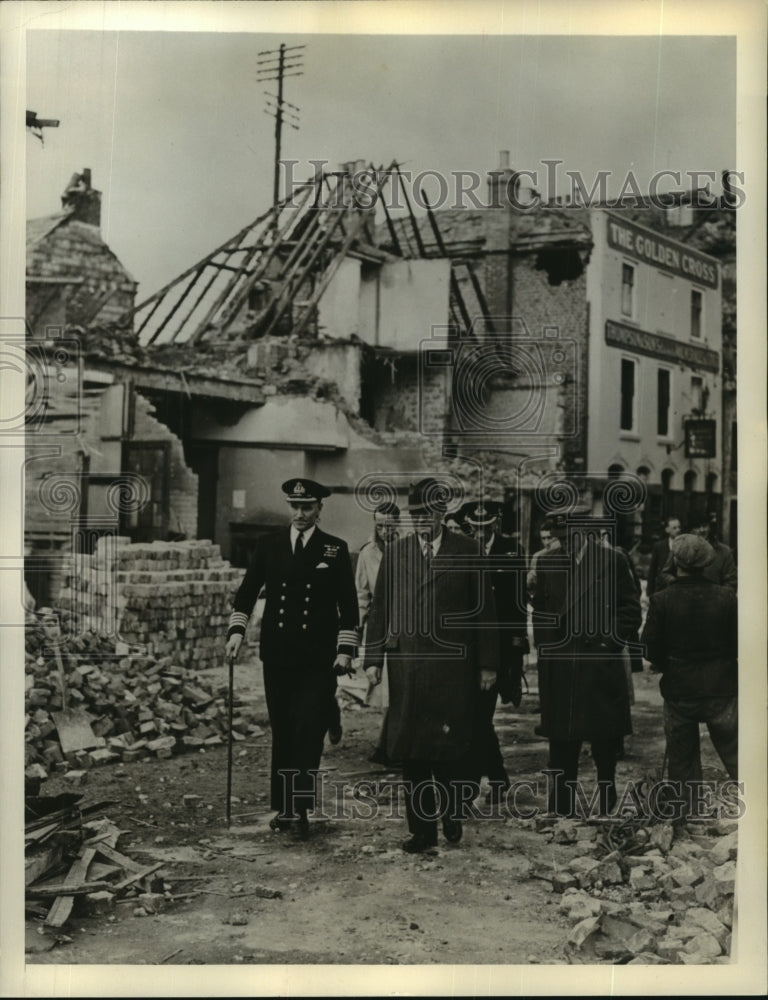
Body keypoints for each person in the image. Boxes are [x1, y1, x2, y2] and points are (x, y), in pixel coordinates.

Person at [364, 478, 500, 853]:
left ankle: (452, 810)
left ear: (442, 513)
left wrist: (488, 664)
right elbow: (380, 610)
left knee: (450, 747)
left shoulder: (468, 551)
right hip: (408, 668)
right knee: (413, 752)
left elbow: (486, 613)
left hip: (453, 670)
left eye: (428, 513)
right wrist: (373, 659)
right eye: (415, 514)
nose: (421, 520)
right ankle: (422, 831)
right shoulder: (397, 553)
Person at [225, 478, 359, 839]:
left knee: (307, 731)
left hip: (318, 659)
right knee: (283, 731)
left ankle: (299, 809)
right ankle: (285, 806)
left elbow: (348, 605)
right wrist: (236, 631)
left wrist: (345, 650)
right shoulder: (269, 545)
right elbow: (247, 592)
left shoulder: (334, 548)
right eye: (295, 507)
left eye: (307, 507)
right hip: (278, 655)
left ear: (319, 509)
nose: (300, 513)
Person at [533, 508, 641, 817]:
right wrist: (546, 648)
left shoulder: (611, 561)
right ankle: (561, 807)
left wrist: (608, 643)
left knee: (603, 739)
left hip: (597, 663)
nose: (565, 543)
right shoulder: (547, 562)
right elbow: (540, 609)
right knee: (561, 740)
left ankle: (606, 800)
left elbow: (630, 609)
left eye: (569, 537)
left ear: (584, 532)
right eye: (560, 538)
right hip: (561, 664)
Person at [641, 533, 738, 823]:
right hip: (721, 688)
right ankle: (760, 813)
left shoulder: (662, 600)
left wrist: (665, 664)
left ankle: (688, 818)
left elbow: (649, 647)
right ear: (708, 562)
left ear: (675, 562)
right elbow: (739, 643)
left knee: (682, 761)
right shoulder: (727, 597)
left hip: (679, 689)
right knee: (738, 754)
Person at [463, 500, 529, 803]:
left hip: (497, 649)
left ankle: (471, 784)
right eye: (474, 526)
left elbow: (518, 605)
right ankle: (497, 779)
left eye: (485, 526)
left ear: (495, 524)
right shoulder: (462, 549)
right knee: (473, 717)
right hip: (467, 648)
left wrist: (516, 654)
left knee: (479, 717)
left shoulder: (511, 550)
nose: (480, 532)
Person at [355, 501, 401, 766]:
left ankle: (389, 745)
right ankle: (388, 744)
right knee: (383, 686)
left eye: (389, 526)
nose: (385, 531)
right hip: (379, 625)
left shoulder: (409, 549)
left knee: (398, 686)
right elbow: (361, 595)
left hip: (404, 625)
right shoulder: (367, 553)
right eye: (380, 526)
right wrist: (356, 629)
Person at [526, 520, 561, 605]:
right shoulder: (537, 556)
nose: (546, 542)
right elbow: (531, 582)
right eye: (543, 538)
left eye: (549, 538)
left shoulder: (564, 553)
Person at [647, 516, 682, 596]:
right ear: (667, 530)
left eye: (679, 527)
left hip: (679, 589)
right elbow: (652, 570)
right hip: (662, 589)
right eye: (674, 528)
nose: (678, 530)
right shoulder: (659, 546)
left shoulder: (685, 544)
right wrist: (649, 593)